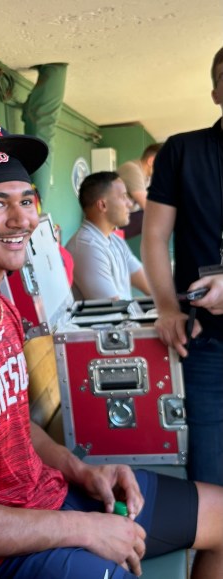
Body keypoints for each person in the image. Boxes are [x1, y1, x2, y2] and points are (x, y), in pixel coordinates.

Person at [0, 118, 223, 578]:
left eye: (27, 200)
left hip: (46, 494)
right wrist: (80, 528)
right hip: (0, 548)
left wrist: (81, 470)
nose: (22, 219)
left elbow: (14, 427)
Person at [142, 45, 223, 486]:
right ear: (215, 91)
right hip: (204, 344)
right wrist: (166, 307)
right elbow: (154, 236)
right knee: (210, 486)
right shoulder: (181, 150)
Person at [66, 171, 150, 301]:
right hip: (112, 320)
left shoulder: (115, 240)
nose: (130, 203)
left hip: (124, 318)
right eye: (123, 197)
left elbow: (149, 285)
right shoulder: (87, 247)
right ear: (102, 205)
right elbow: (114, 310)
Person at [116, 143, 162, 238]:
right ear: (151, 161)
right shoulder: (132, 168)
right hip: (112, 223)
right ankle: (113, 237)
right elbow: (147, 205)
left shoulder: (148, 177)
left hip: (125, 218)